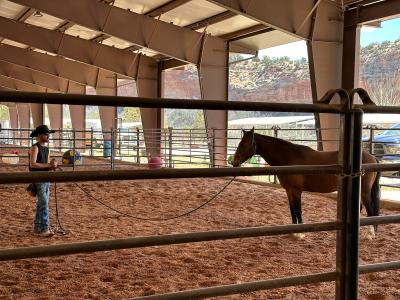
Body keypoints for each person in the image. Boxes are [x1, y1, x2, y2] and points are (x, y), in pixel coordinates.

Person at [29, 125, 58, 237]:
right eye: (46, 134)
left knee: (42, 203)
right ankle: (44, 228)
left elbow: (47, 163)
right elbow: (33, 163)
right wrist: (48, 165)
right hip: (38, 178)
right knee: (44, 203)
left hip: (45, 178)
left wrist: (53, 164)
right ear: (40, 135)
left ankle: (37, 227)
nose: (48, 136)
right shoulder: (35, 147)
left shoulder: (46, 149)